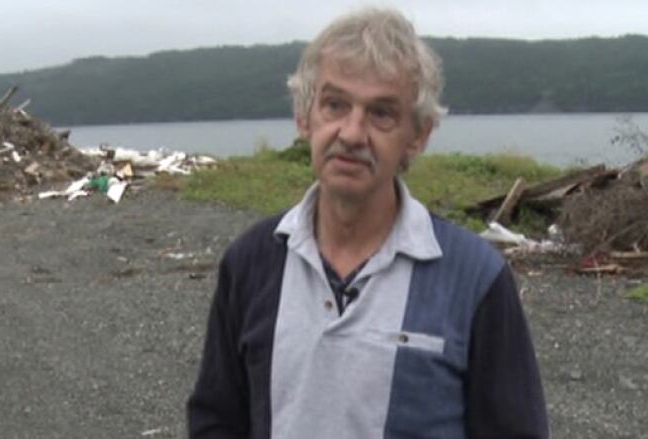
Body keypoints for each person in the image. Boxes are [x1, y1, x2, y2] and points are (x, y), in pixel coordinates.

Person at [188, 7, 548, 439]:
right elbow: (216, 420)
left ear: (418, 135)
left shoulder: (475, 279)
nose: (353, 133)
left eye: (381, 113)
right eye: (334, 104)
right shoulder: (251, 263)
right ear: (305, 117)